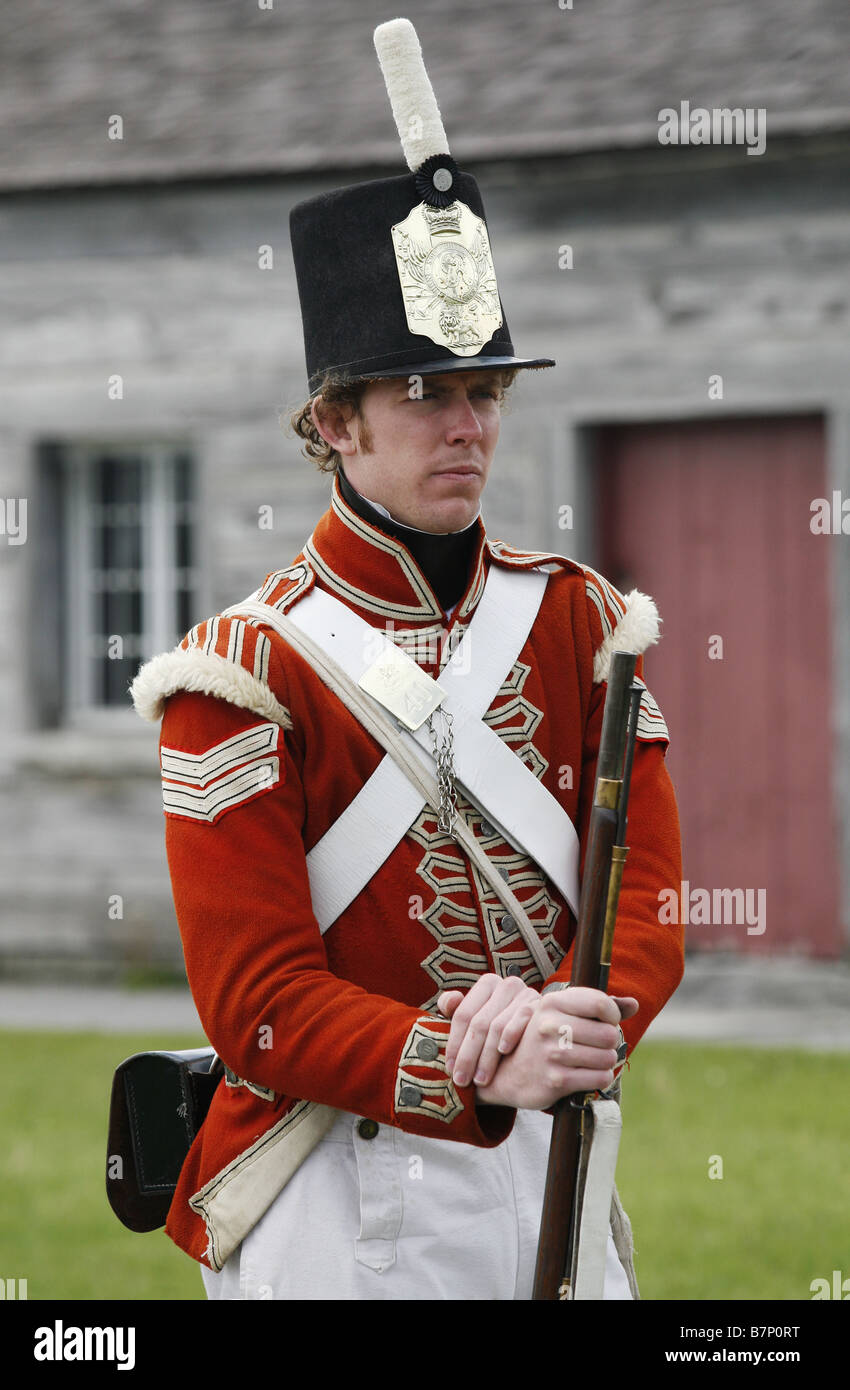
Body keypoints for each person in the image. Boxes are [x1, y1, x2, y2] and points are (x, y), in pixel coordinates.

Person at [130, 19, 683, 1300]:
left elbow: (642, 898)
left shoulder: (581, 622)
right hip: (338, 1187)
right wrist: (463, 1056)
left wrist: (574, 1026)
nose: (466, 425)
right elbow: (254, 999)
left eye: (483, 390)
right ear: (333, 423)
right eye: (424, 395)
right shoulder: (240, 673)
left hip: (552, 1154)